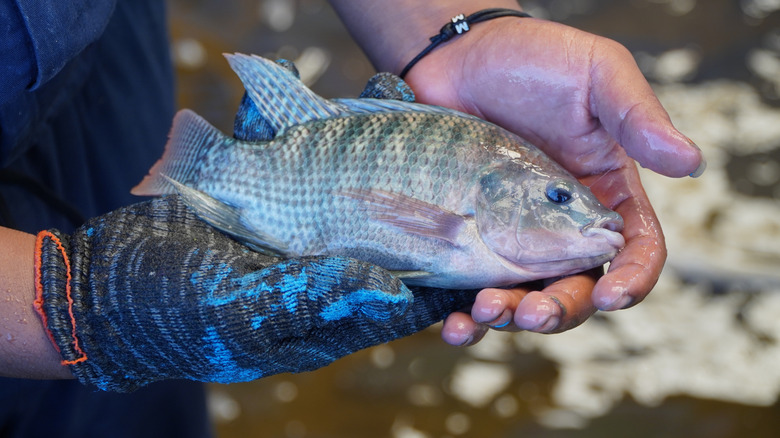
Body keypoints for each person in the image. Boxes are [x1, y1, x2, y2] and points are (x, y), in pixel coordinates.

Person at [0, 0, 704, 436]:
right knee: (130, 341)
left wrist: (449, 28)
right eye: (557, 198)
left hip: (84, 35)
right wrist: (71, 306)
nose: (584, 216)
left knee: (156, 385)